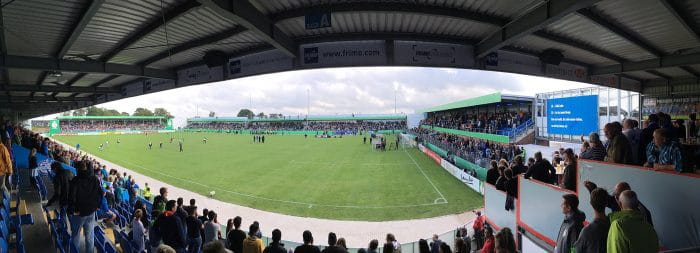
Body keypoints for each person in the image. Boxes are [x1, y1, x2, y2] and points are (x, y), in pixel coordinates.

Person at [66, 161, 102, 253]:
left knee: (76, 235)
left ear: (78, 169)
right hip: (91, 212)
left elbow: (71, 197)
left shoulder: (75, 180)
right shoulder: (95, 179)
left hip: (79, 213)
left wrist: (72, 211)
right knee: (90, 235)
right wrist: (97, 206)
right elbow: (100, 194)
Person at [584, 180, 653, 226]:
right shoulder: (616, 201)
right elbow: (604, 199)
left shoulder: (643, 213)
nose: (615, 197)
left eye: (616, 195)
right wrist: (593, 189)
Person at [574, 188, 610, 253]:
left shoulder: (587, 231)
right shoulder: (614, 224)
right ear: (607, 203)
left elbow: (574, 251)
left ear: (591, 203)